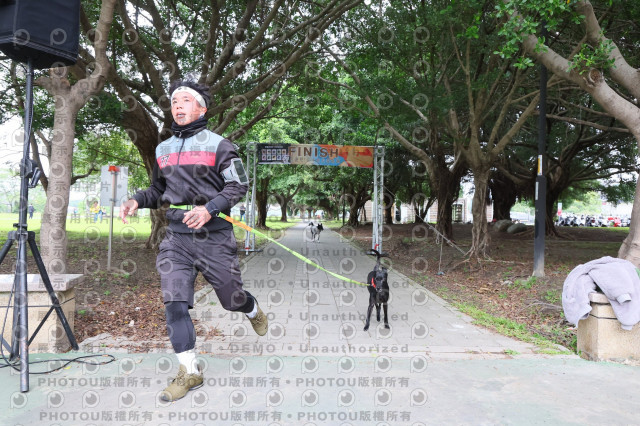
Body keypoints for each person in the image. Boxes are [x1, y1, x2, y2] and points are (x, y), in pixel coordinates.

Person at [119, 79, 268, 402]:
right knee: (174, 303)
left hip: (215, 237)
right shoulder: (163, 149)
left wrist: (209, 208)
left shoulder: (221, 145)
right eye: (174, 101)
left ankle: (252, 308)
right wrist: (136, 200)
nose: (178, 106)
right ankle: (190, 371)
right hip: (177, 239)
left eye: (185, 100)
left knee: (232, 300)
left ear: (201, 108)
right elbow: (158, 190)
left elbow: (238, 186)